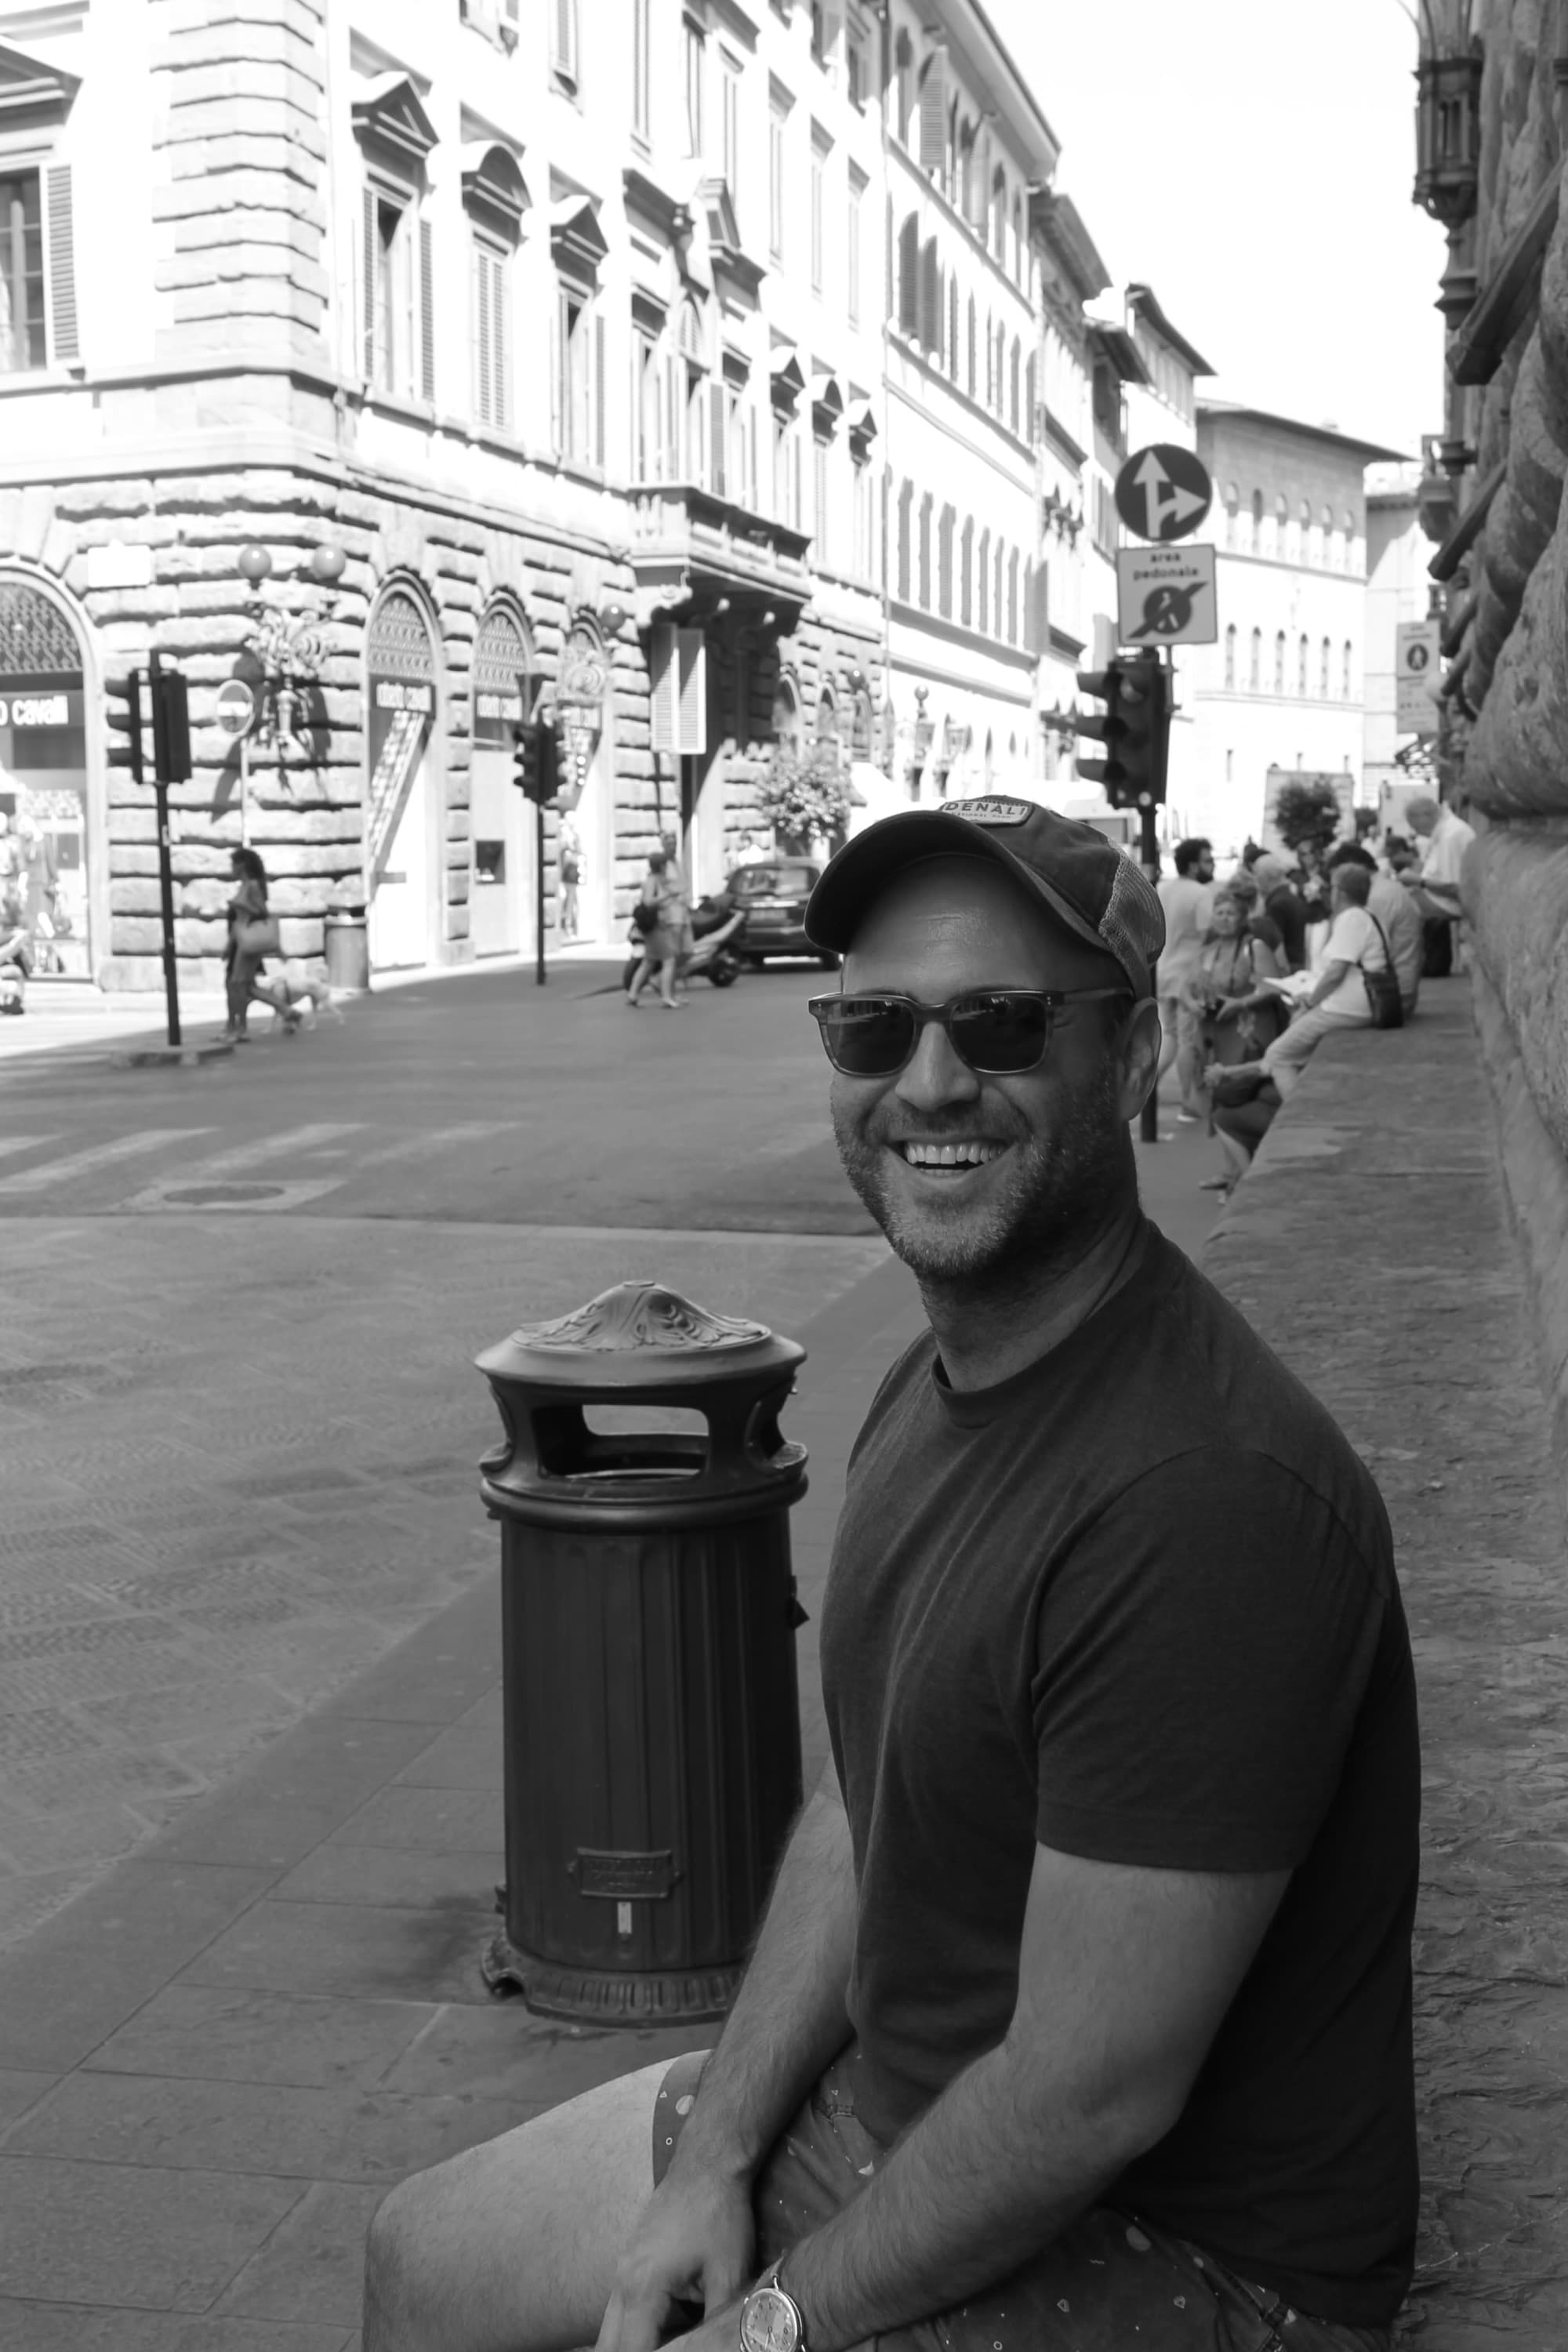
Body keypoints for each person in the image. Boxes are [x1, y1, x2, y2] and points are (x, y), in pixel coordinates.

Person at [365, 797, 1420, 2352]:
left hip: (1185, 2258)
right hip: (905, 2116)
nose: (929, 1083)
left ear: (1126, 1060)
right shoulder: (935, 1387)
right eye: (871, 1027)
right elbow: (865, 1810)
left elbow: (1086, 2095)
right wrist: (713, 2159)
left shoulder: (1202, 1500)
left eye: (997, 1025)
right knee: (424, 2254)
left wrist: (767, 2329)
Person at [1228, 862, 1392, 1103]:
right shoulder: (1365, 916)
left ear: (1340, 892)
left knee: (1278, 1055)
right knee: (1295, 1038)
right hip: (1354, 1004)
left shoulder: (1351, 919)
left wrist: (1311, 1003)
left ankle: (1296, 1112)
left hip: (1347, 1008)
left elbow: (1336, 972)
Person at [1186, 887, 1283, 1192]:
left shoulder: (1253, 947)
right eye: (1220, 913)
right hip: (1215, 1034)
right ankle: (1230, 1170)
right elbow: (1186, 988)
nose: (1225, 919)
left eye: (1231, 913)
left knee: (1240, 1094)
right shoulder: (1207, 951)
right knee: (1217, 1094)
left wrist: (1240, 1003)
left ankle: (1245, 1171)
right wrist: (1192, 1004)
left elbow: (1273, 989)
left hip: (1248, 1033)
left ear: (1242, 918)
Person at [1154, 835, 1214, 1122]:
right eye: (1206, 860)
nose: (1211, 865)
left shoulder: (1162, 888)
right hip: (1189, 974)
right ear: (1192, 865)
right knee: (1187, 1039)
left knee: (1171, 1036)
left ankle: (1146, 1087)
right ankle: (1189, 1103)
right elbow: (1209, 934)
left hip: (1163, 970)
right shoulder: (1201, 894)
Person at [1329, 844, 1422, 1021]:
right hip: (1395, 990)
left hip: (1387, 998)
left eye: (1336, 884)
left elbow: (1354, 954)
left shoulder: (1376, 896)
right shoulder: (1387, 888)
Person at [223, 846, 299, 1041]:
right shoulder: (245, 885)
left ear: (242, 865)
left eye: (234, 864)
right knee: (242, 986)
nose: (231, 868)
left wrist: (240, 905)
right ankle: (284, 1011)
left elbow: (261, 912)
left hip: (247, 943)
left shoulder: (253, 886)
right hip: (240, 941)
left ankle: (240, 1029)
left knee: (238, 985)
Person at [1401, 793, 1475, 971]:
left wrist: (1419, 881)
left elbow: (1455, 889)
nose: (1415, 831)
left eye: (1413, 825)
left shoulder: (1451, 836)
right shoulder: (1445, 832)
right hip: (1441, 901)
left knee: (1396, 905)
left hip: (1450, 905)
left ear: (1424, 816)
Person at [626, 848, 684, 1009]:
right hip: (655, 925)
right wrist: (668, 896)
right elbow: (648, 902)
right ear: (662, 866)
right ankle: (666, 997)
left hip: (655, 925)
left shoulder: (656, 879)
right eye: (665, 865)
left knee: (649, 961)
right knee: (669, 959)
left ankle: (632, 994)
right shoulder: (652, 880)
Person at [1250, 851, 1308, 971]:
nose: (1255, 880)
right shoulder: (1289, 896)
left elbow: (1272, 944)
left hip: (1285, 969)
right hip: (1297, 964)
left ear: (1265, 877)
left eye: (1256, 874)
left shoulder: (1277, 904)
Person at [559, 818, 582, 942]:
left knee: (571, 901)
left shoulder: (571, 854)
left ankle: (569, 926)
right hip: (566, 876)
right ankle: (566, 926)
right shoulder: (566, 852)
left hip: (570, 875)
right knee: (566, 899)